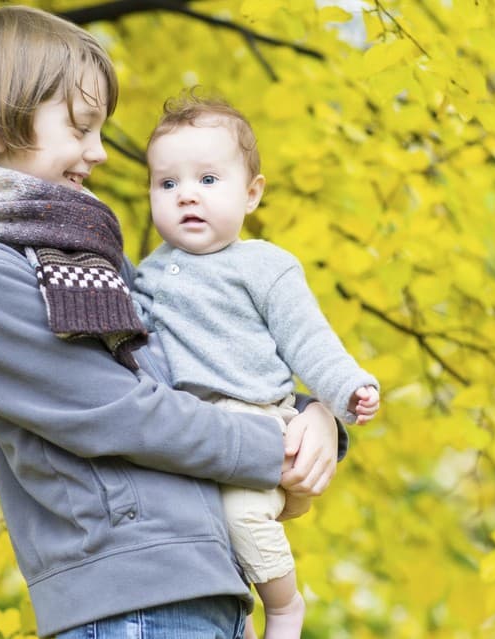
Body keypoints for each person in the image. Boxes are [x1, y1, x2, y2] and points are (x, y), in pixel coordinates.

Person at [0, 6, 345, 638]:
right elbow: (123, 412)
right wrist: (272, 448)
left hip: (204, 580)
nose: (99, 152)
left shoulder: (78, 252)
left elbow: (193, 368)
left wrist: (314, 416)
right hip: (130, 601)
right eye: (82, 126)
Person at [134, 92, 381, 639]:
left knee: (242, 517)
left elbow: (310, 342)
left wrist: (347, 391)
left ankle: (286, 606)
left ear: (251, 194)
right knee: (208, 529)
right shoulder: (147, 277)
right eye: (167, 184)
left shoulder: (264, 265)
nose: (186, 197)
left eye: (208, 180)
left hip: (260, 422)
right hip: (196, 436)